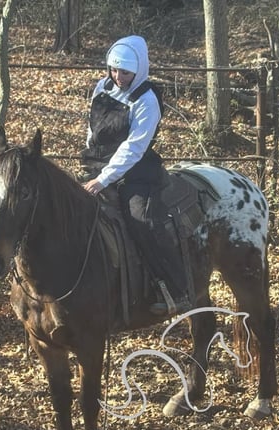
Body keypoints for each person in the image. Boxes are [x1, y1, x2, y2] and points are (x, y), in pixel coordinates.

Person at [81, 35, 189, 315]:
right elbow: (92, 128)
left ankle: (172, 288)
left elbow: (134, 147)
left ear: (139, 70)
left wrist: (103, 179)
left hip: (135, 172)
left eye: (125, 72)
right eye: (114, 70)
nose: (118, 77)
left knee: (141, 219)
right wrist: (91, 158)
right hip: (98, 165)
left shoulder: (147, 99)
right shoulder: (102, 86)